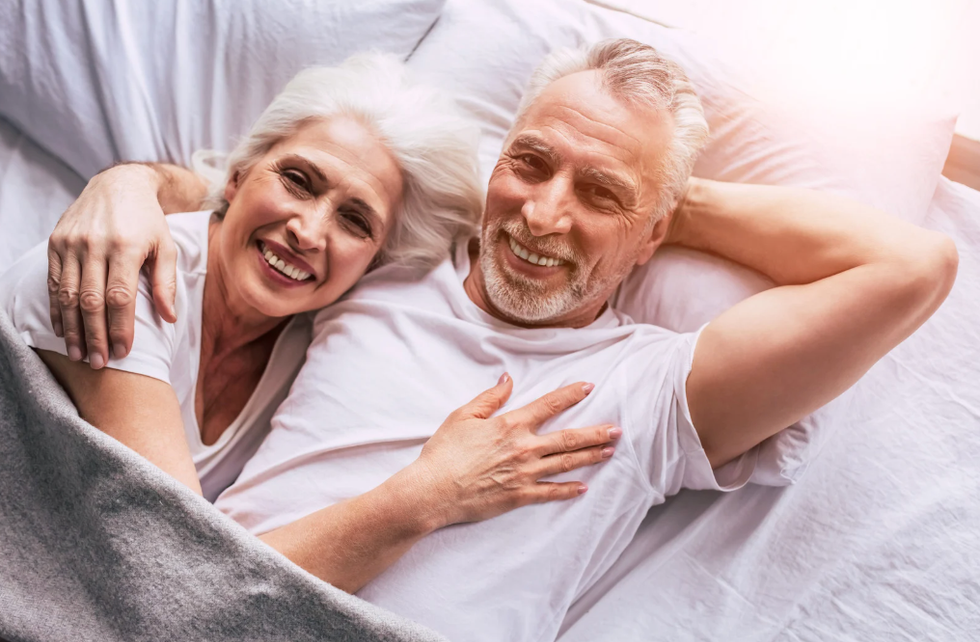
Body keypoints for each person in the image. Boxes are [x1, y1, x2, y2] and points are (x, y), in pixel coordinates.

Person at [45, 39, 957, 641]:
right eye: (530, 162)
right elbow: (258, 193)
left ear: (653, 236)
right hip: (193, 611)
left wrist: (673, 206)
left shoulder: (652, 388)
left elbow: (913, 266)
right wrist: (126, 184)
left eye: (598, 195)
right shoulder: (387, 261)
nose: (543, 212)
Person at [0, 53, 622, 595]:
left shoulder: (316, 332)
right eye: (297, 180)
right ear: (241, 173)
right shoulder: (122, 272)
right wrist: (431, 493)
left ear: (374, 262)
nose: (308, 230)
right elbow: (178, 568)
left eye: (356, 222)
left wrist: (648, 209)